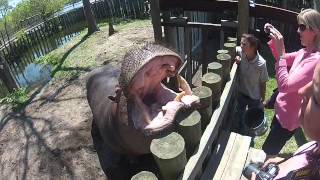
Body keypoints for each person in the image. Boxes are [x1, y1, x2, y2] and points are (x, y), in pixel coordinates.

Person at [262, 9, 320, 155]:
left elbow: (284, 86)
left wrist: (281, 53)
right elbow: (283, 58)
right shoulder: (304, 52)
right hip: (281, 110)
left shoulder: (315, 60)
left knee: (268, 151)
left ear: (316, 31)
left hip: (288, 120)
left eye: (302, 27)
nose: (297, 31)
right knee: (271, 139)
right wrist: (276, 40)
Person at [251, 63, 320, 180]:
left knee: (270, 147)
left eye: (315, 96)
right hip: (282, 117)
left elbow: (285, 85)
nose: (302, 91)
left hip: (287, 123)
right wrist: (287, 160)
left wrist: (281, 56)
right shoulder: (313, 146)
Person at [235, 34, 269, 131]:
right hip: (242, 93)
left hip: (254, 97)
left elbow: (263, 83)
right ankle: (240, 129)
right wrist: (237, 58)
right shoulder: (241, 53)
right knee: (240, 113)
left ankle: (250, 131)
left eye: (244, 44)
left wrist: (262, 99)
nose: (241, 46)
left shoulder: (261, 63)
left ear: (253, 47)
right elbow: (234, 48)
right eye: (241, 43)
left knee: (252, 118)